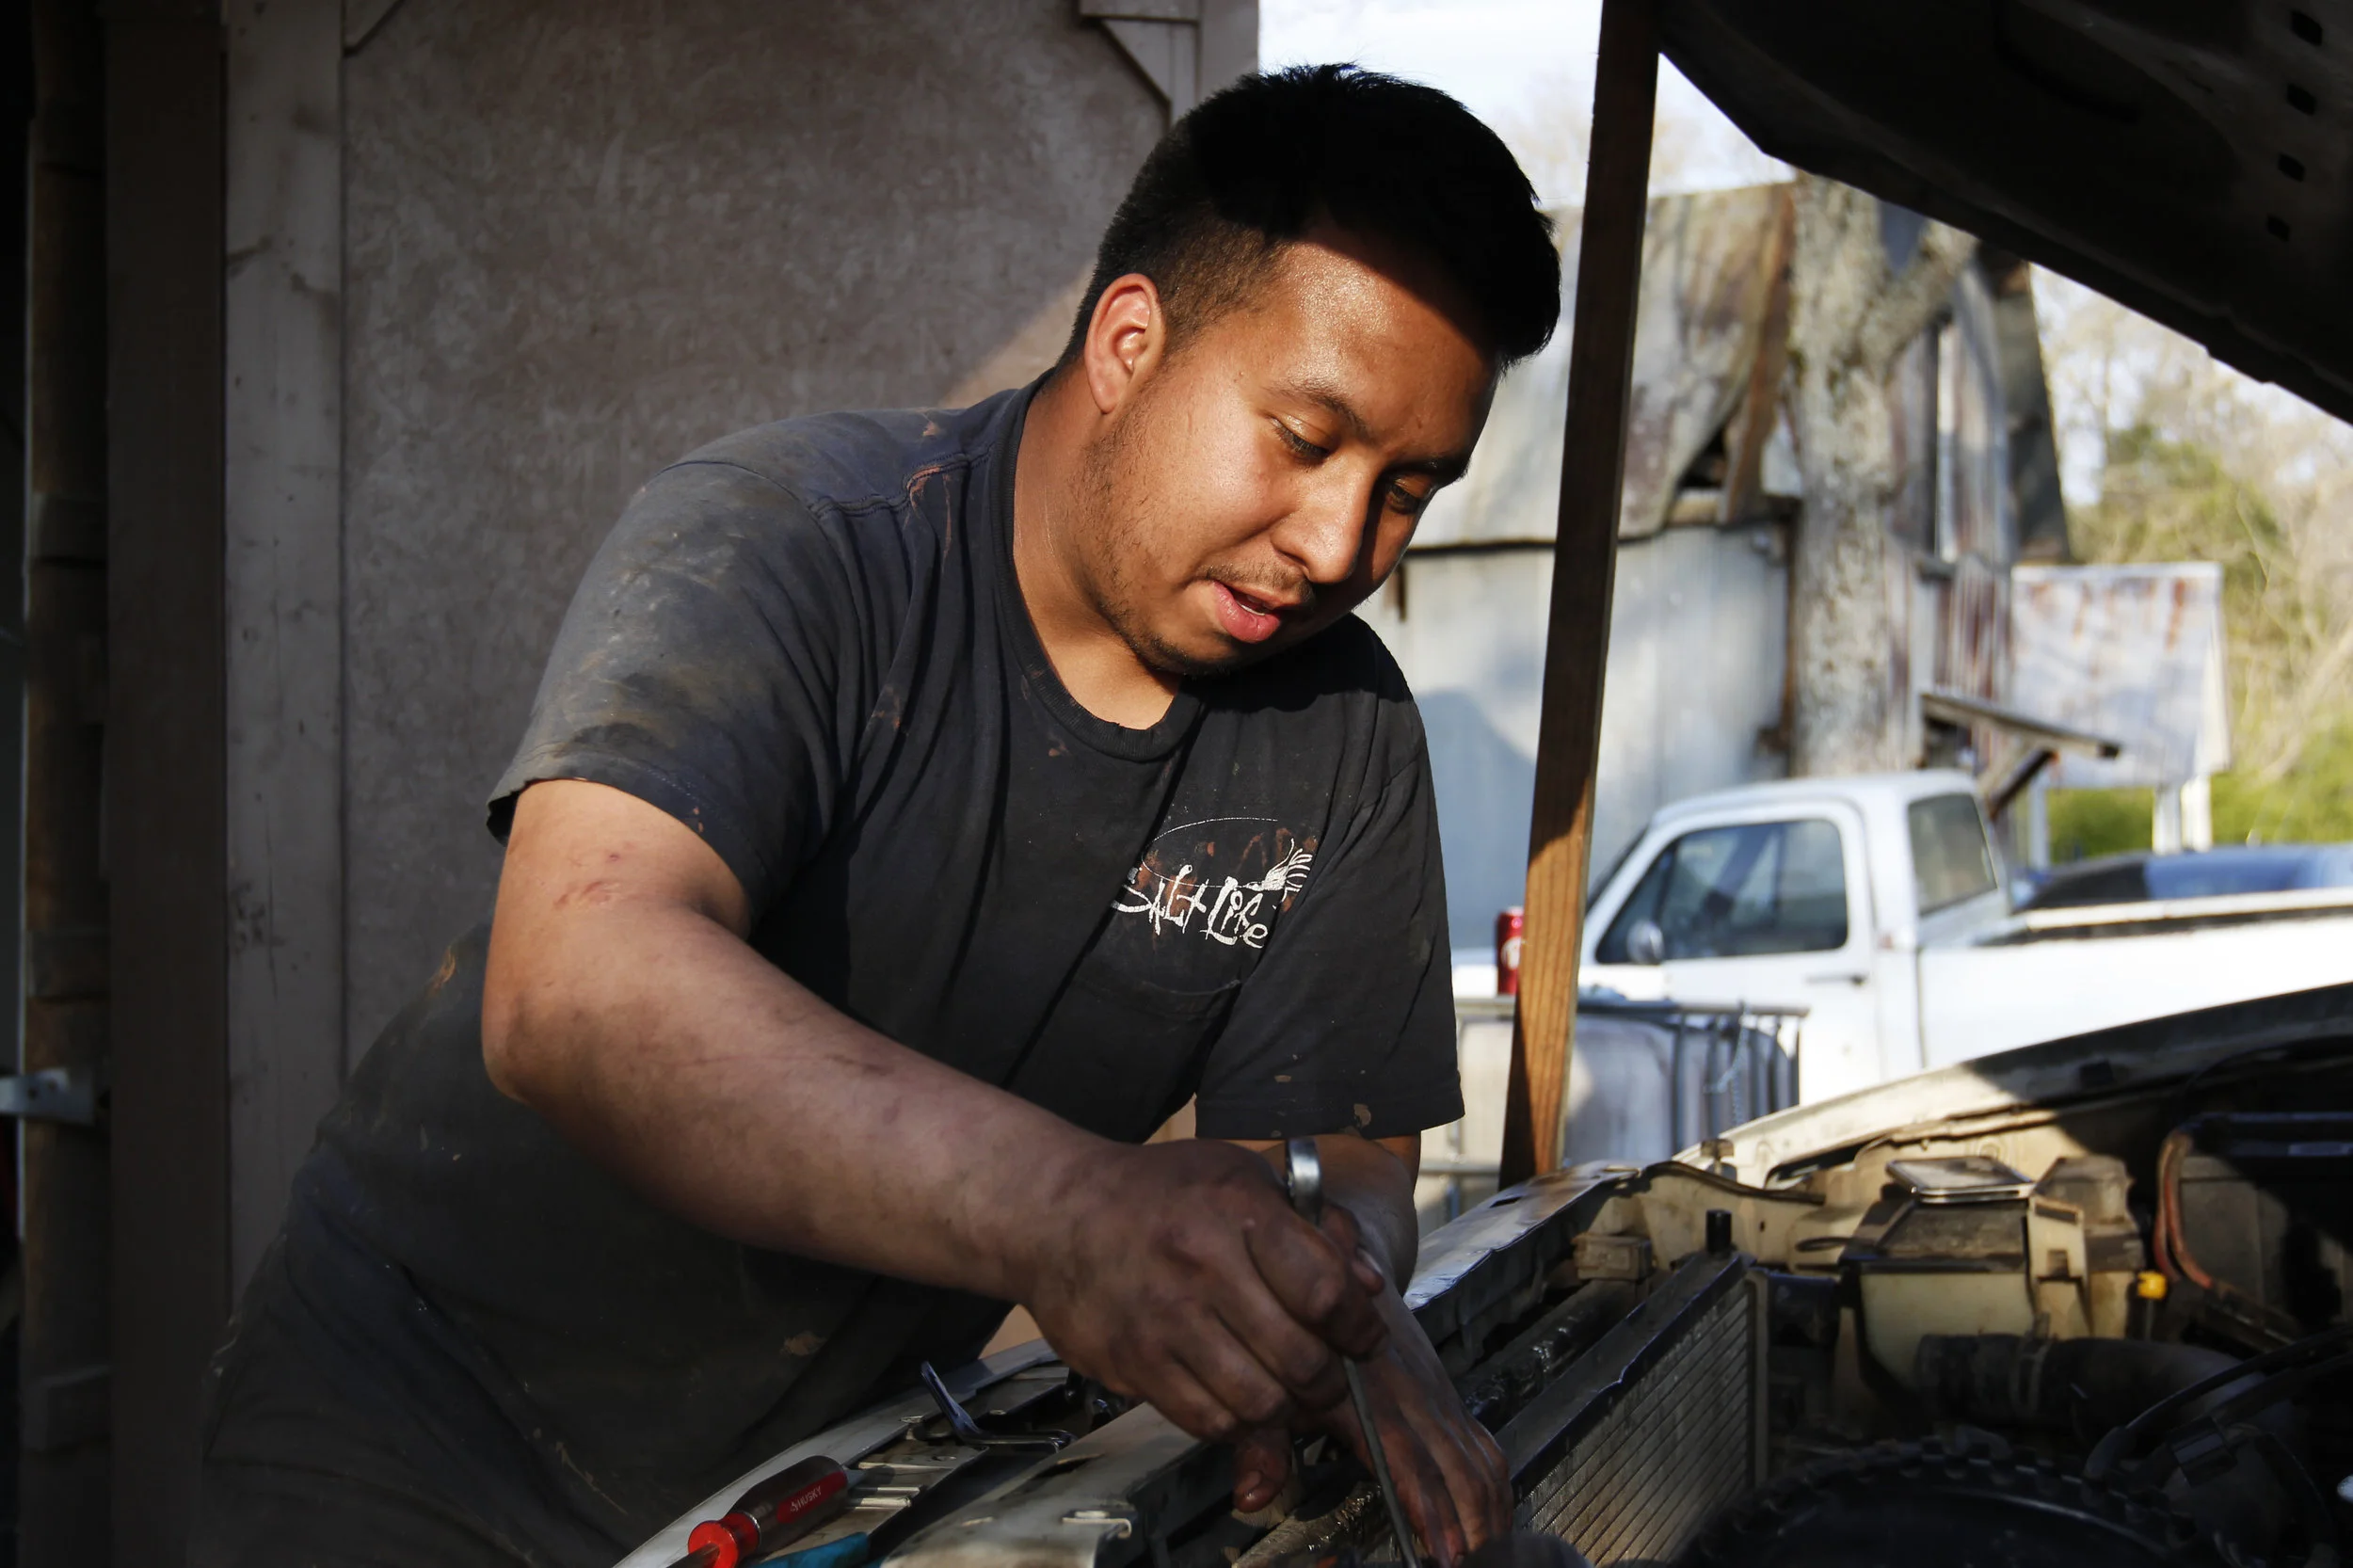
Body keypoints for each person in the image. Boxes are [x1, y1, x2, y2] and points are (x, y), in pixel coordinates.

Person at [192, 62, 1561, 1568]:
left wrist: (1327, 1301)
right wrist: (1071, 1211)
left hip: (813, 1488)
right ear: (1128, 341)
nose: (1337, 541)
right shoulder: (797, 542)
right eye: (1306, 440)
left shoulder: (1342, 738)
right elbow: (572, 986)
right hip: (411, 1434)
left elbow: (1335, 1157)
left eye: (1408, 490)